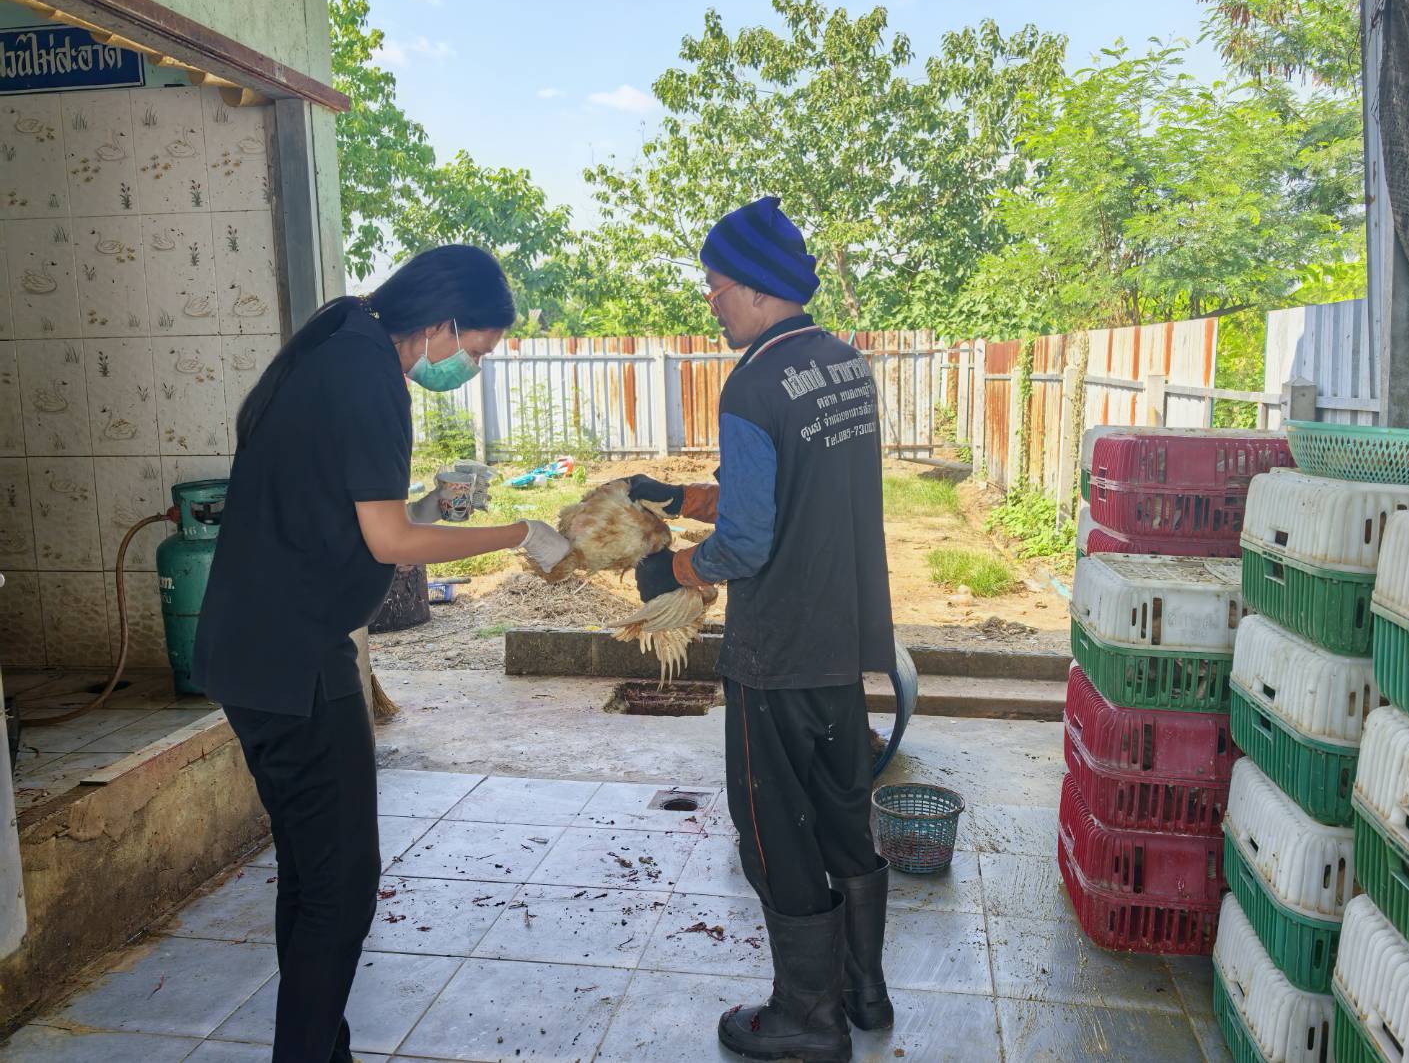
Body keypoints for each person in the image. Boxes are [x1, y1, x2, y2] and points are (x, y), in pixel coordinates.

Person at [193, 245, 570, 1063]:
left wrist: (434, 505)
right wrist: (518, 533)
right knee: (341, 886)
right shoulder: (367, 374)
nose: (470, 367)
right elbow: (390, 542)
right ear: (441, 323)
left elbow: (360, 515)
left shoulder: (339, 347)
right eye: (475, 350)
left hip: (254, 649)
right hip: (294, 659)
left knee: (313, 872)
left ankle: (320, 1050)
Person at [623, 198, 894, 1063]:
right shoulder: (843, 365)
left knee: (773, 829)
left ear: (753, 286)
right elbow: (796, 488)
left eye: (714, 284)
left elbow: (744, 542)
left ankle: (806, 1017)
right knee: (844, 813)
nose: (709, 301)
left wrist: (672, 570)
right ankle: (863, 989)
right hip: (839, 641)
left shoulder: (749, 383)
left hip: (774, 652)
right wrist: (679, 496)